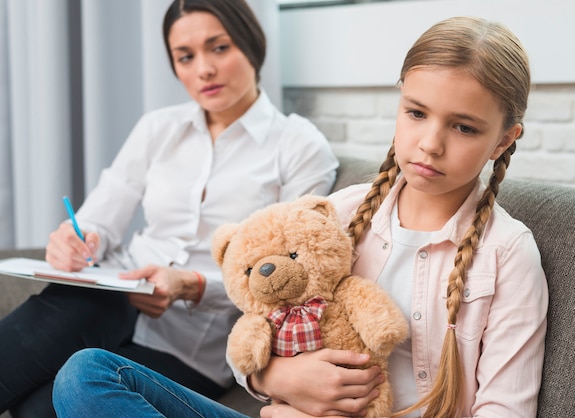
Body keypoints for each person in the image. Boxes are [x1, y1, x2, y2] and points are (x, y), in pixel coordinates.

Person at [51, 15, 548, 418]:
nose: (430, 143)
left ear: (503, 141)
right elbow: (249, 334)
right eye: (416, 113)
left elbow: (504, 409)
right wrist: (277, 379)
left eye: (463, 127)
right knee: (86, 375)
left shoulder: (506, 255)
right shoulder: (335, 215)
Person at [0, 0, 338, 416]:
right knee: (48, 328)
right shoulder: (158, 128)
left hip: (194, 346)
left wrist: (192, 284)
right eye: (185, 56)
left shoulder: (299, 146)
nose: (204, 70)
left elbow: (295, 278)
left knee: (38, 408)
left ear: (252, 44)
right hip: (109, 300)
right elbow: (99, 218)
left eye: (219, 48)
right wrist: (78, 237)